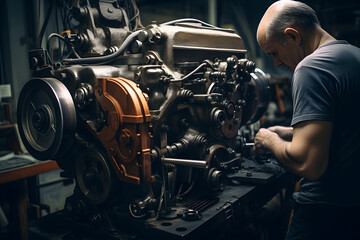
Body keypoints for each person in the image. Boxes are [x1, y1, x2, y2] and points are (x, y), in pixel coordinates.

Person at [254, 1, 360, 239]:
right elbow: (346, 126)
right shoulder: (353, 55)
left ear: (292, 36)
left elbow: (309, 164)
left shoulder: (312, 67)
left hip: (325, 215)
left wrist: (269, 139)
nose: (276, 63)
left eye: (274, 53)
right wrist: (291, 133)